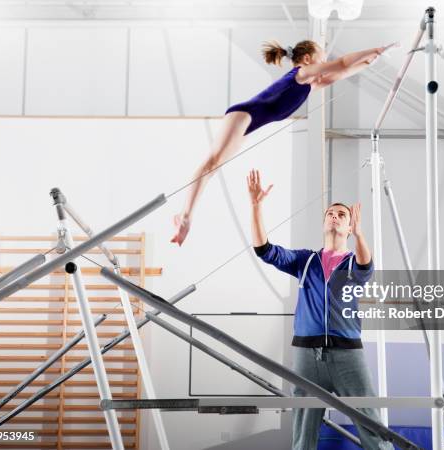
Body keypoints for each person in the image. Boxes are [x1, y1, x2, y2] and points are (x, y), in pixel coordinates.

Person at [170, 40, 396, 245]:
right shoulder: (302, 72)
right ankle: (185, 215)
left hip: (250, 122)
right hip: (244, 114)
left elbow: (343, 71)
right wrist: (375, 49)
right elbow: (342, 63)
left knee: (214, 167)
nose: (325, 63)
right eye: (322, 58)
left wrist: (369, 61)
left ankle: (186, 215)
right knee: (211, 164)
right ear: (307, 59)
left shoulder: (310, 84)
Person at [246, 169, 393, 450]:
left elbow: (366, 265)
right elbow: (264, 250)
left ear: (350, 228)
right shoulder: (305, 260)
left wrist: (361, 236)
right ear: (323, 223)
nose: (335, 217)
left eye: (342, 215)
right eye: (330, 214)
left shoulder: (352, 263)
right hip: (306, 356)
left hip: (348, 355)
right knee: (303, 433)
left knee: (371, 425)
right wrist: (256, 207)